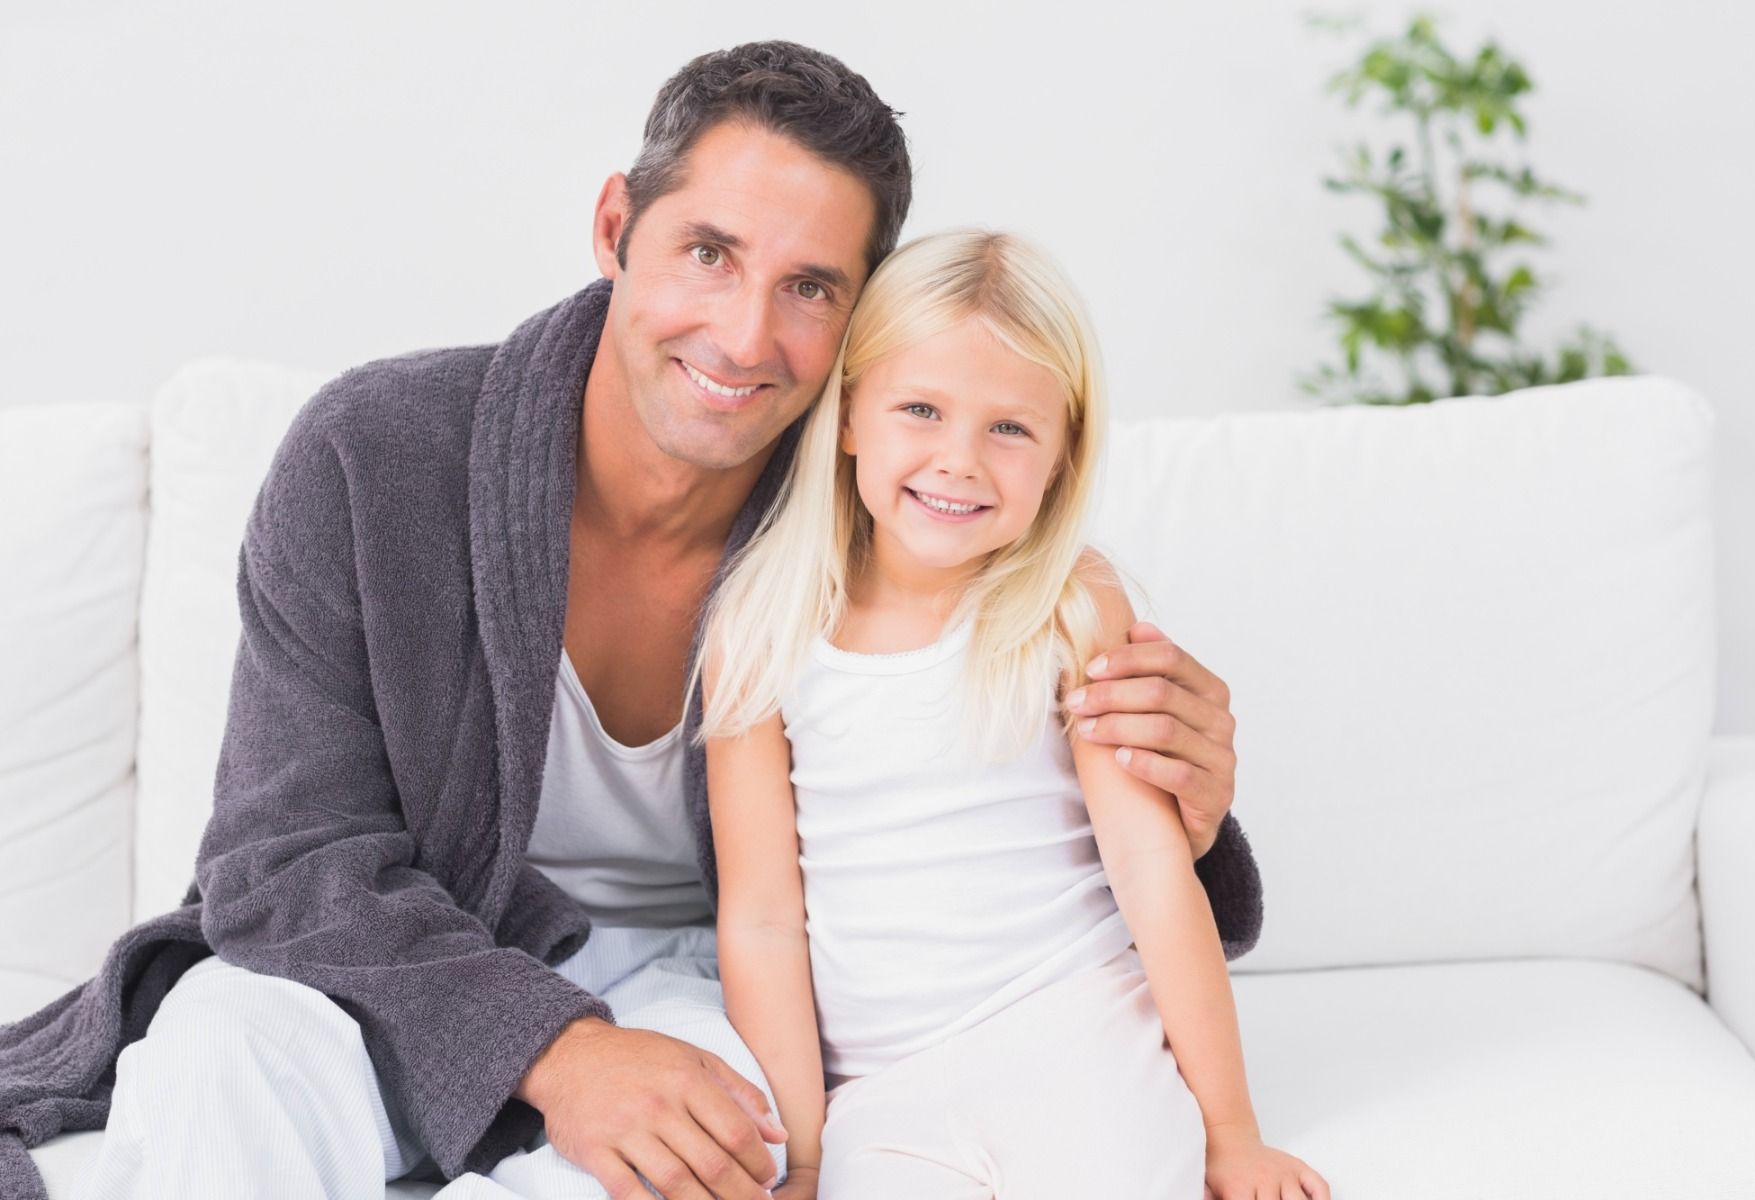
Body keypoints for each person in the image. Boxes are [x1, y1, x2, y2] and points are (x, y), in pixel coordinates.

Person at [0, 42, 1263, 1200]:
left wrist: (1185, 798)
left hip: (714, 996)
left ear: (860, 326)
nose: (744, 334)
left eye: (810, 287)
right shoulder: (372, 454)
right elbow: (281, 860)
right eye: (709, 252)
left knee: (710, 1158)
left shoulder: (887, 513)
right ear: (618, 226)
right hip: (412, 963)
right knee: (221, 1045)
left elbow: (994, 798)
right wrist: (547, 1046)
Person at [694, 229, 1318, 1200]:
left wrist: (1232, 1132)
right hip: (885, 1090)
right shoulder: (761, 629)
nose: (960, 462)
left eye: (1010, 429)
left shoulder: (1069, 605)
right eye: (921, 410)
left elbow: (1153, 873)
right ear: (850, 412)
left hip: (1080, 1034)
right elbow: (765, 919)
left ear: (1065, 455)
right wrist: (805, 1155)